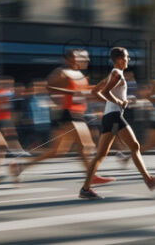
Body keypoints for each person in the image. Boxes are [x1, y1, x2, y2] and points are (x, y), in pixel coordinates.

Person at [9, 49, 114, 185]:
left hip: (77, 113)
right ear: (69, 59)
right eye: (82, 58)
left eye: (86, 58)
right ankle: (91, 175)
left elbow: (85, 94)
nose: (86, 61)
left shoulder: (80, 75)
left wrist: (107, 97)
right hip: (67, 114)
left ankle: (20, 167)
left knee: (57, 151)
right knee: (86, 146)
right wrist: (73, 93)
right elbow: (49, 88)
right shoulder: (61, 73)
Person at [79, 47, 155, 199]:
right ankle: (148, 179)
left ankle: (85, 189)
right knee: (135, 146)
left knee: (100, 155)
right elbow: (104, 92)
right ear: (119, 59)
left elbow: (95, 92)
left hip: (109, 116)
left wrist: (118, 100)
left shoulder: (113, 74)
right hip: (114, 116)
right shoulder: (117, 74)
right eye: (126, 57)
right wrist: (119, 101)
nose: (128, 60)